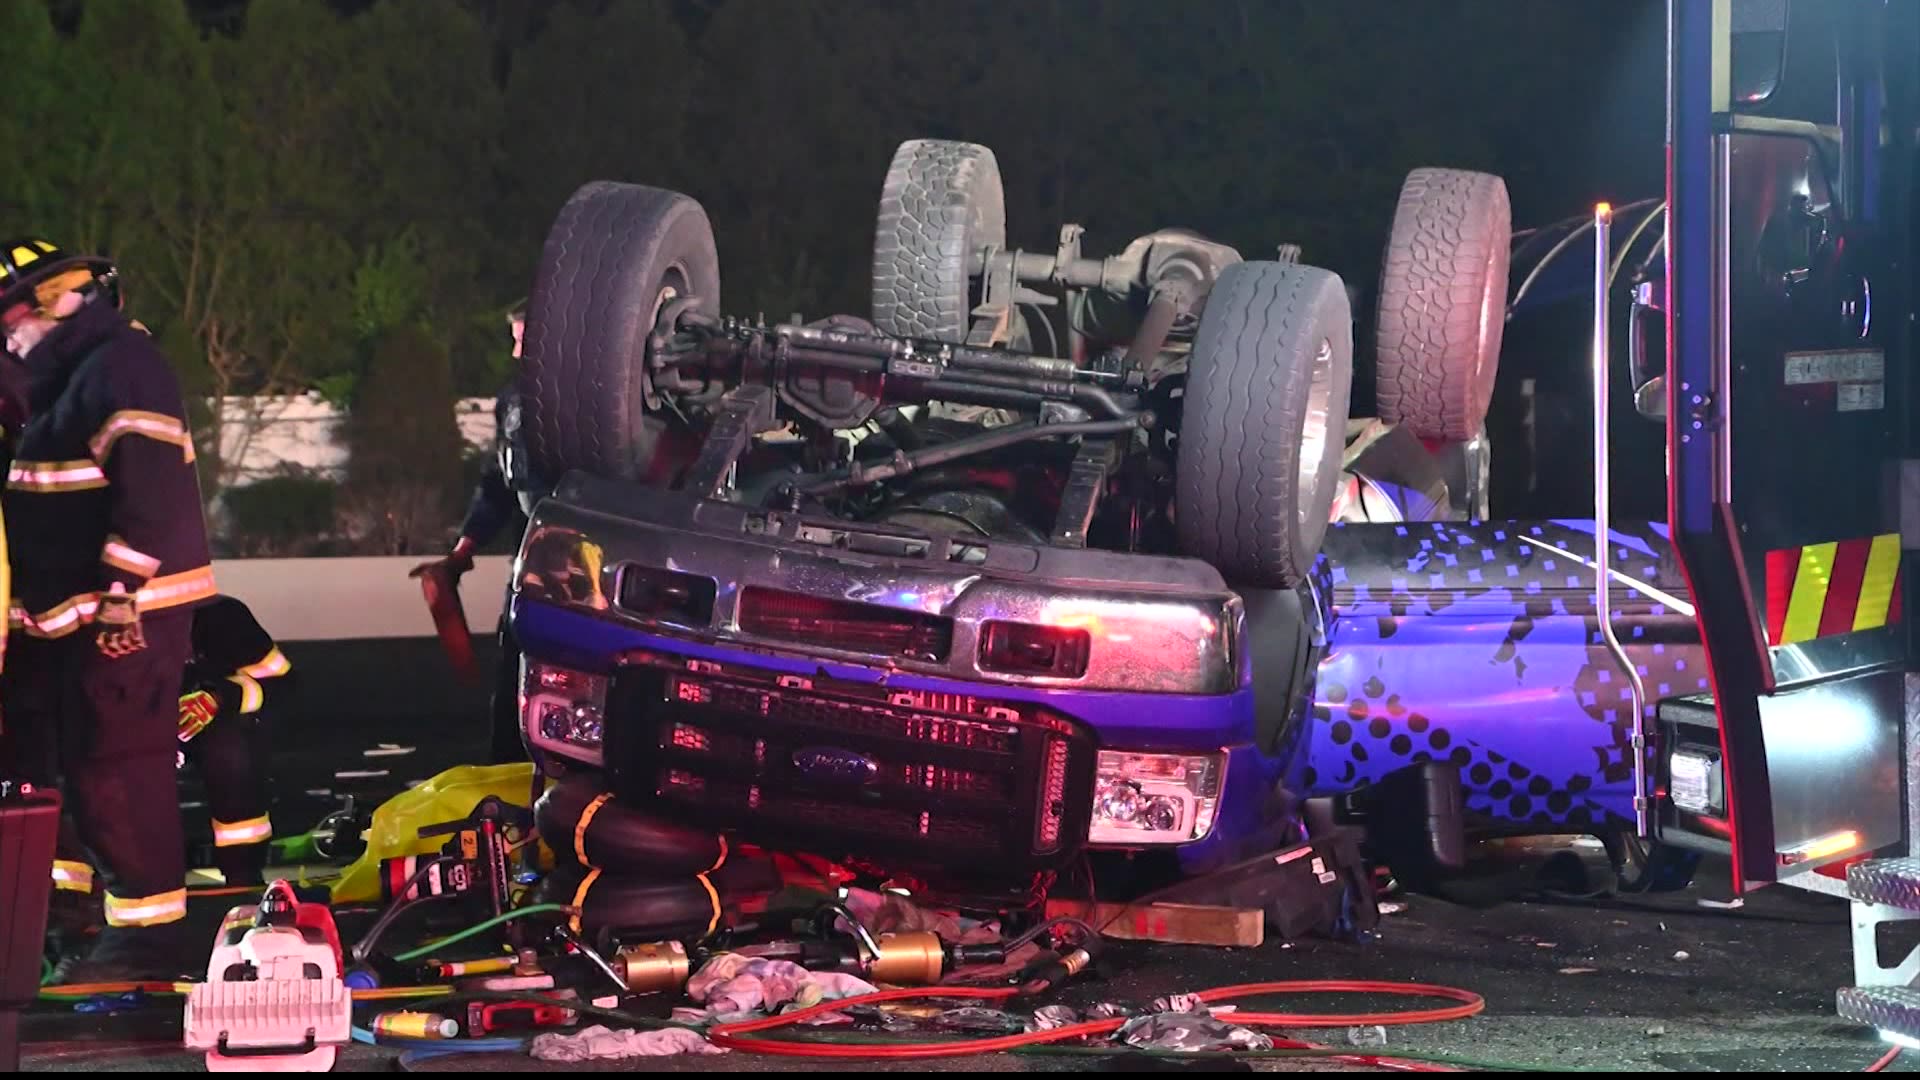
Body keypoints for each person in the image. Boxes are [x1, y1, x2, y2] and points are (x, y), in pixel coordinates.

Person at [0, 238, 216, 982]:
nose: (7, 338)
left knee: (119, 771)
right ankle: (81, 921)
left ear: (58, 302)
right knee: (65, 766)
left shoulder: (122, 366)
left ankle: (147, 944)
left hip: (128, 619)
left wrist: (122, 599)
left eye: (9, 321)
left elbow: (148, 491)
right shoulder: (67, 376)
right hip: (76, 618)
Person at [417, 302, 535, 763]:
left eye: (524, 339)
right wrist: (463, 549)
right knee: (514, 672)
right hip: (532, 557)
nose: (515, 349)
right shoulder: (514, 400)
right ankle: (507, 773)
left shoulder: (598, 402)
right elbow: (499, 480)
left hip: (581, 560)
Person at [177, 594, 294, 886]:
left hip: (215, 732)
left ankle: (243, 876)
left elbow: (282, 685)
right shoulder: (113, 621)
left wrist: (221, 698)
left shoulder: (223, 617)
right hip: (135, 729)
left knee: (230, 751)